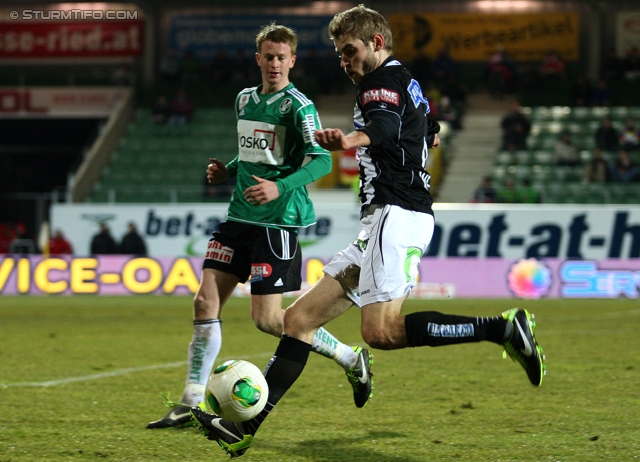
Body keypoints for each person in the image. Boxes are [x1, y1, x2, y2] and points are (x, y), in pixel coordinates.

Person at [190, 6, 546, 457]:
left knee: (382, 333)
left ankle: (501, 329)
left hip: (396, 215)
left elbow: (383, 127)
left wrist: (351, 140)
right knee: (298, 320)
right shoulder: (406, 80)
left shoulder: (379, 85)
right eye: (340, 54)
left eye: (350, 51)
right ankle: (244, 428)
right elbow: (429, 130)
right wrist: (417, 138)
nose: (345, 61)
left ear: (376, 43)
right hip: (389, 220)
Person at [147, 23, 372, 430]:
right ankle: (189, 401)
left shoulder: (297, 105)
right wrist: (227, 169)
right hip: (238, 218)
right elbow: (255, 151)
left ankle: (350, 358)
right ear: (258, 59)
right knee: (204, 303)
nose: (274, 64)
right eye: (268, 56)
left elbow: (321, 160)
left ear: (292, 61)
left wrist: (279, 187)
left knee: (271, 322)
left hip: (277, 223)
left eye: (281, 57)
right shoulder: (245, 99)